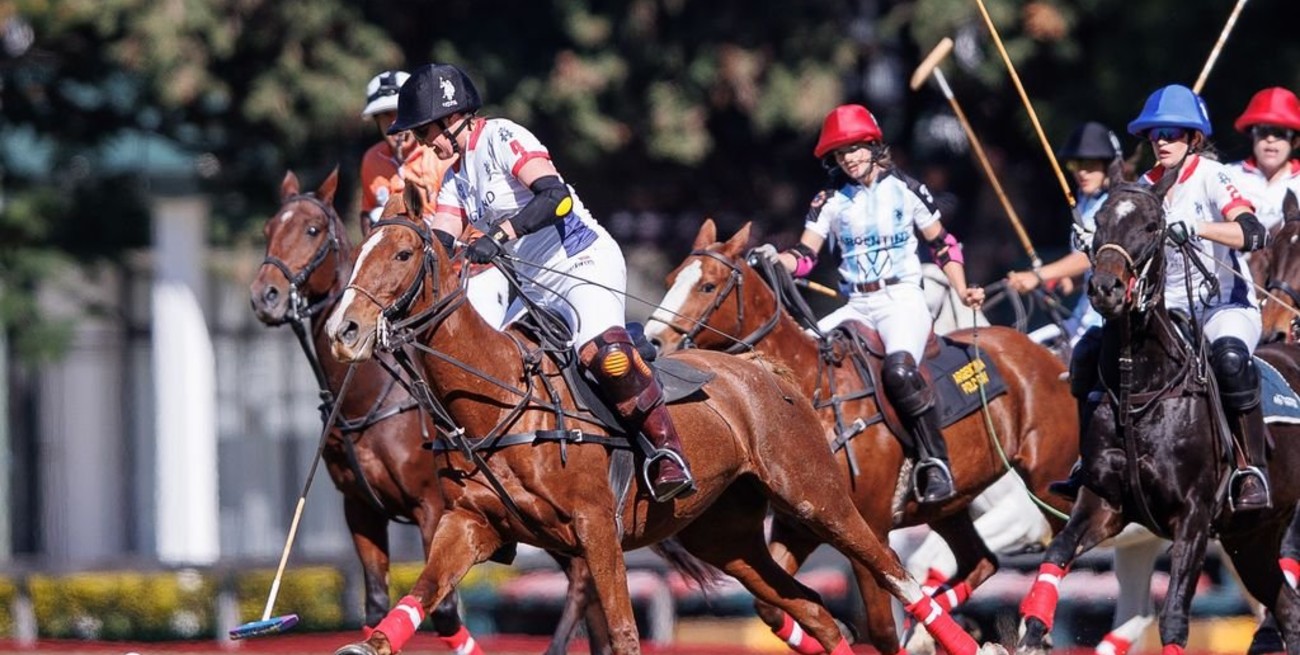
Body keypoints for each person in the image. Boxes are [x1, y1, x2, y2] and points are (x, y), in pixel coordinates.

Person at [386, 62, 694, 501]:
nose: (420, 143)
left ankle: (667, 451)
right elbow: (439, 245)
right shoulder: (455, 180)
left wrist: (500, 235)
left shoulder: (503, 137)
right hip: (531, 288)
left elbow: (556, 197)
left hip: (581, 262)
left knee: (605, 355)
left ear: (452, 118)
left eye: (424, 131)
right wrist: (396, 296)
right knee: (497, 366)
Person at [763, 104, 985, 504]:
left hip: (901, 299)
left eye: (856, 148)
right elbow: (806, 256)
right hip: (857, 304)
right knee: (797, 365)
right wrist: (774, 260)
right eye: (841, 152)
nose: (850, 158)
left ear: (873, 145)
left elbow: (942, 244)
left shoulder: (908, 189)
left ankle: (935, 461)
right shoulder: (828, 200)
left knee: (900, 372)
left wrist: (962, 288)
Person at [1065, 84, 1271, 511]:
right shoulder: (1143, 187)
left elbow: (1252, 232)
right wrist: (1094, 239)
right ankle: (1088, 461)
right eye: (1155, 134)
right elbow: (1120, 250)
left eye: (1172, 133)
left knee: (1230, 360)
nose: (1161, 141)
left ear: (1193, 138)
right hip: (1165, 312)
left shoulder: (1213, 176)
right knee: (1087, 354)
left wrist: (1198, 228)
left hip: (1222, 306)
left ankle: (1250, 469)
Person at [359, 69, 509, 329]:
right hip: (411, 278)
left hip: (472, 270)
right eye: (386, 118)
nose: (395, 126)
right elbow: (368, 217)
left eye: (400, 115)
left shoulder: (443, 154)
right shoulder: (371, 162)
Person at [1006, 122, 1124, 346]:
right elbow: (1091, 268)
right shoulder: (1084, 201)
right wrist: (1071, 280)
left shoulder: (1114, 206)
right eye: (1075, 164)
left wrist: (1038, 276)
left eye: (1090, 165)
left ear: (1109, 167)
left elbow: (1089, 254)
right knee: (1025, 347)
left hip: (1106, 321)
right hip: (1081, 317)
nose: (1082, 172)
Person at [1226, 87, 1300, 232]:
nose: (1270, 139)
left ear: (1295, 141)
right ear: (1251, 135)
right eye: (1262, 131)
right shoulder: (1227, 175)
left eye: (1280, 133)